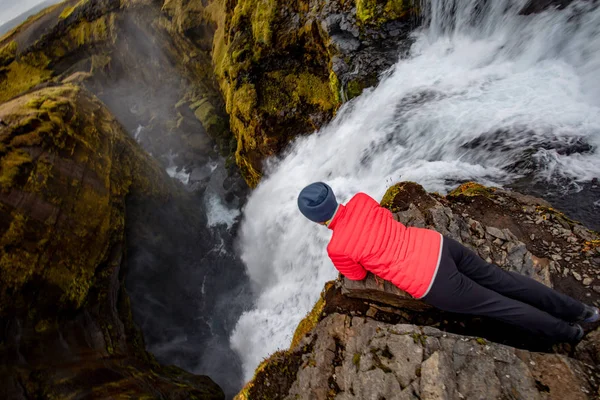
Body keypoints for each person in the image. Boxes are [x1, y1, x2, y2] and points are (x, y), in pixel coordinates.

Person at [297, 182, 600, 343]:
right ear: (333, 197)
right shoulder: (362, 200)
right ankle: (582, 311)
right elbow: (385, 218)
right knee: (503, 280)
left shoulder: (338, 247)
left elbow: (356, 273)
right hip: (439, 246)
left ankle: (569, 333)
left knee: (500, 306)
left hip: (431, 280)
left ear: (317, 220)